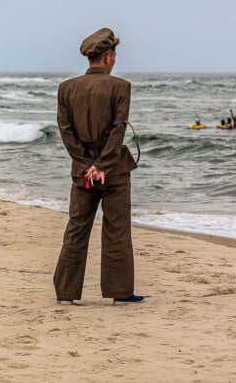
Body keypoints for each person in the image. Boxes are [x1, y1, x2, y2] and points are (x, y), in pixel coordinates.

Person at [53, 28, 143, 305]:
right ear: (107, 57)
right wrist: (102, 165)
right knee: (116, 228)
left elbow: (65, 132)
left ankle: (66, 294)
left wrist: (85, 165)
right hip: (114, 169)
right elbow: (118, 131)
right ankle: (120, 292)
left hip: (82, 171)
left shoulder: (67, 88)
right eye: (113, 55)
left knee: (77, 227)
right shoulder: (120, 87)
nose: (114, 60)